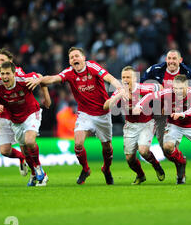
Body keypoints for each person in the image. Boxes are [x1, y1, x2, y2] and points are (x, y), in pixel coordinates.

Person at [26, 47, 125, 185]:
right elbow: (54, 78)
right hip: (84, 113)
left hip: (102, 113)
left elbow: (108, 77)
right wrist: (40, 80)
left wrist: (118, 86)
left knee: (107, 147)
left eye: (77, 56)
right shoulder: (69, 72)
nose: (74, 59)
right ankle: (86, 169)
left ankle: (106, 169)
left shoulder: (92, 66)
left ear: (83, 58)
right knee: (78, 144)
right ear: (70, 62)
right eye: (71, 57)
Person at [134, 74, 191, 184]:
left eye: (181, 88)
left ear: (187, 86)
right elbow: (150, 96)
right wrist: (139, 106)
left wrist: (181, 114)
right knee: (167, 147)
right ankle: (181, 163)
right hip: (175, 124)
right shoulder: (168, 92)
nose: (178, 91)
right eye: (175, 88)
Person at [0, 48, 46, 177]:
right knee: (5, 151)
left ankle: (36, 170)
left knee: (27, 143)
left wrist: (45, 96)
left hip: (19, 114)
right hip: (3, 115)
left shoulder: (18, 74)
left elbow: (38, 78)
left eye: (2, 60)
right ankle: (23, 158)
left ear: (11, 63)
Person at [0, 61, 51, 186]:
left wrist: (46, 96)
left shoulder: (23, 80)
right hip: (15, 120)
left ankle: (40, 170)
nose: (5, 77)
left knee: (29, 141)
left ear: (14, 74)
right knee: (24, 151)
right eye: (2, 74)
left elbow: (40, 77)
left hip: (31, 114)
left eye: (8, 73)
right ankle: (34, 174)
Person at [104, 66, 165, 185]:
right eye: (123, 77)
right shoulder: (119, 91)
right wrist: (118, 95)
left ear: (135, 78)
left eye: (128, 77)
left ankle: (156, 165)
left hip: (146, 123)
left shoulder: (145, 88)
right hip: (130, 126)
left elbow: (161, 88)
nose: (125, 80)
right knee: (129, 159)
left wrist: (161, 105)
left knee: (143, 151)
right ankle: (141, 175)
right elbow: (106, 106)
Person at [140, 50, 191, 149]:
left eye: (174, 58)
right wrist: (154, 86)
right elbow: (140, 87)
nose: (171, 61)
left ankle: (180, 162)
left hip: (176, 113)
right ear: (166, 59)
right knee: (164, 147)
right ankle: (178, 160)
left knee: (172, 146)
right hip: (157, 113)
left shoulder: (187, 73)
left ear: (180, 60)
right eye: (169, 58)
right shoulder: (155, 70)